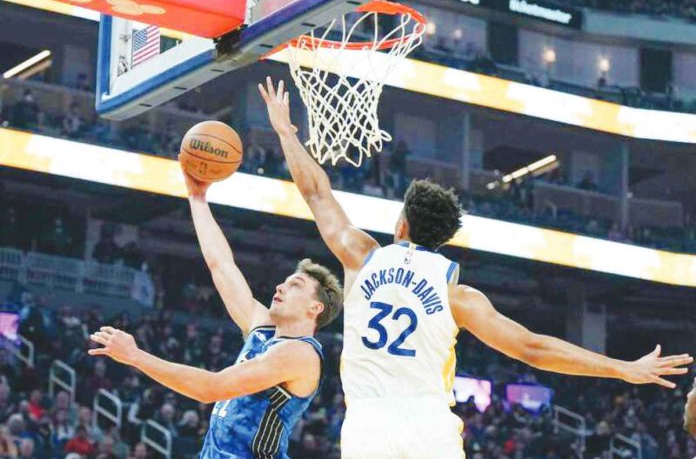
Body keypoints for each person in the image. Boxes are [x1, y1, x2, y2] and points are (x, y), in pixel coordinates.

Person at [258, 77, 694, 459]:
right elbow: (533, 349)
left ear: (401, 223)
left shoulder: (362, 254)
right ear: (442, 238)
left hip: (368, 425)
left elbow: (316, 191)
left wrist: (284, 131)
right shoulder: (458, 295)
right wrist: (620, 367)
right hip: (429, 426)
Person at [89, 165, 343, 459]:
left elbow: (211, 388)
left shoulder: (301, 355)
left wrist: (135, 355)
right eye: (284, 281)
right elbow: (220, 264)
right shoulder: (262, 327)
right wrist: (197, 198)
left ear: (315, 307)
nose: (281, 287)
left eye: (295, 285)